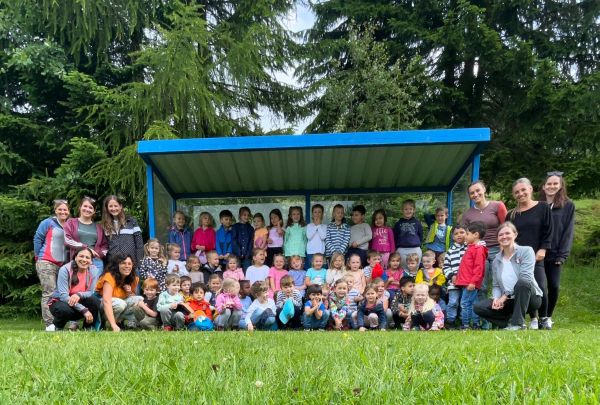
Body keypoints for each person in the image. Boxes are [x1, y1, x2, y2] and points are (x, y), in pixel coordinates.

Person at [474, 222, 543, 330]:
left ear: (515, 234)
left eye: (507, 233)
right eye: (500, 235)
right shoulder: (496, 260)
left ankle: (518, 324)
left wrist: (505, 296)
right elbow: (496, 285)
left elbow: (526, 277)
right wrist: (496, 298)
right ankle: (509, 323)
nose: (504, 236)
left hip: (530, 298)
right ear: (497, 238)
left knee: (523, 282)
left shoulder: (526, 251)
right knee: (478, 307)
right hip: (508, 301)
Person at [506, 178, 553, 329]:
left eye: (523, 190)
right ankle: (532, 318)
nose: (520, 194)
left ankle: (543, 318)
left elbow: (548, 230)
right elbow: (507, 236)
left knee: (541, 286)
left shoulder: (543, 207)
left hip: (537, 256)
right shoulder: (511, 215)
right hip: (517, 258)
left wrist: (543, 249)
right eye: (516, 192)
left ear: (531, 189)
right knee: (524, 287)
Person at [461, 180, 508, 306]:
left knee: (501, 280)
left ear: (484, 190)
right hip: (479, 251)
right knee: (481, 284)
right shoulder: (468, 214)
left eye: (478, 190)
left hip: (498, 248)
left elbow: (506, 227)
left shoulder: (497, 206)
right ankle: (483, 312)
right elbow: (464, 234)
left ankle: (502, 309)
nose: (475, 194)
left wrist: (504, 247)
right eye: (472, 193)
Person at [539, 171, 575, 329]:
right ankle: (538, 317)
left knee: (553, 286)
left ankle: (548, 316)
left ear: (560, 186)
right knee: (540, 287)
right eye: (549, 183)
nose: (551, 186)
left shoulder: (568, 205)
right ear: (543, 186)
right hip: (538, 252)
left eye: (555, 184)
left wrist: (562, 255)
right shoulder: (538, 205)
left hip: (555, 253)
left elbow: (568, 231)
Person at [34, 199, 70, 330]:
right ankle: (49, 324)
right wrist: (38, 257)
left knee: (60, 294)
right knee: (49, 292)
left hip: (62, 265)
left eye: (65, 209)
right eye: (60, 209)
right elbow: (38, 239)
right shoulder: (48, 222)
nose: (62, 212)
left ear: (69, 211)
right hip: (46, 262)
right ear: (55, 210)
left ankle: (58, 323)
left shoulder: (69, 225)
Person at [47, 247, 101, 331]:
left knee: (95, 301)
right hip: (61, 302)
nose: (84, 260)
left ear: (91, 261)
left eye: (87, 257)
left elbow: (91, 292)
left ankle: (88, 327)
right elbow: (63, 296)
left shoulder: (94, 270)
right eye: (81, 256)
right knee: (65, 310)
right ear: (75, 257)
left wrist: (79, 295)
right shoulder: (65, 269)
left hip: (78, 303)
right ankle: (57, 327)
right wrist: (84, 310)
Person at [96, 253, 142, 332]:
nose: (127, 266)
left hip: (117, 303)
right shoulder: (109, 276)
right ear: (117, 265)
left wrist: (129, 292)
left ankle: (124, 322)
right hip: (101, 305)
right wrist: (113, 324)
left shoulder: (133, 278)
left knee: (139, 299)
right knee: (120, 304)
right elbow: (106, 301)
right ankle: (111, 324)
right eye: (123, 263)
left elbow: (132, 296)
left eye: (129, 264)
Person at [455, 222, 488, 330]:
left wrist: (473, 282)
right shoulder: (472, 247)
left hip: (470, 283)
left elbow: (479, 268)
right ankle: (475, 324)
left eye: (467, 233)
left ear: (476, 235)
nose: (465, 236)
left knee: (465, 303)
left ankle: (465, 325)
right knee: (472, 303)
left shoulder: (479, 249)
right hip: (467, 282)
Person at [64, 196, 108, 272]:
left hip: (95, 262)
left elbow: (105, 246)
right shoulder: (71, 222)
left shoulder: (99, 227)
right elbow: (67, 240)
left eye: (90, 207)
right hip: (78, 260)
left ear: (94, 211)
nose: (87, 209)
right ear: (80, 207)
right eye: (85, 206)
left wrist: (99, 254)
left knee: (95, 280)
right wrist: (85, 248)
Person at [100, 195, 144, 267]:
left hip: (130, 264)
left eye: (116, 206)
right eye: (110, 206)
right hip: (113, 265)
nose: (113, 208)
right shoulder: (104, 225)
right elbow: (105, 246)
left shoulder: (131, 221)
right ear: (107, 208)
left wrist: (139, 263)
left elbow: (139, 244)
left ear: (120, 206)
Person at [442, 226, 467, 328]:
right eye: (456, 234)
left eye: (462, 232)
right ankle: (450, 321)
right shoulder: (450, 251)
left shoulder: (470, 248)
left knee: (464, 303)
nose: (459, 235)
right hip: (454, 283)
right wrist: (451, 276)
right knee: (453, 302)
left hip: (466, 282)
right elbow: (445, 267)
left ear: (467, 234)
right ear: (452, 237)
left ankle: (463, 322)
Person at [393, 199, 423, 268]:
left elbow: (420, 235)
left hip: (415, 249)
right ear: (402, 210)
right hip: (402, 250)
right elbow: (395, 237)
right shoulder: (398, 224)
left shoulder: (417, 223)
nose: (408, 211)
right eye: (406, 209)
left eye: (410, 209)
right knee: (403, 270)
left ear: (414, 210)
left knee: (414, 270)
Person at [306, 204, 327, 270]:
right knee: (311, 270)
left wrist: (319, 225)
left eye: (319, 212)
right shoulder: (309, 226)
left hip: (321, 252)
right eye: (315, 212)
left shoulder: (324, 226)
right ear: (312, 214)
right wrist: (316, 226)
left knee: (321, 270)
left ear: (322, 214)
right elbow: (309, 236)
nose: (317, 214)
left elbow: (323, 237)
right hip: (311, 252)